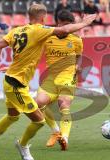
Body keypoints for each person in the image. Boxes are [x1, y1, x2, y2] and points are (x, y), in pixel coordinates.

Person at [0, 3, 95, 160]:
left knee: (13, 116)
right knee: (38, 121)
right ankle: (23, 146)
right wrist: (85, 23)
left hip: (12, 79)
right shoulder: (40, 31)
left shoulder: (18, 30)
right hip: (16, 85)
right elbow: (64, 30)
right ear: (44, 17)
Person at [35, 9, 83, 151]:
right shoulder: (47, 37)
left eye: (69, 25)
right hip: (51, 78)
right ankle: (56, 131)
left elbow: (79, 56)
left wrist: (78, 66)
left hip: (68, 76)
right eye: (64, 25)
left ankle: (65, 138)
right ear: (58, 23)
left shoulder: (76, 40)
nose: (66, 29)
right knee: (38, 103)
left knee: (64, 104)